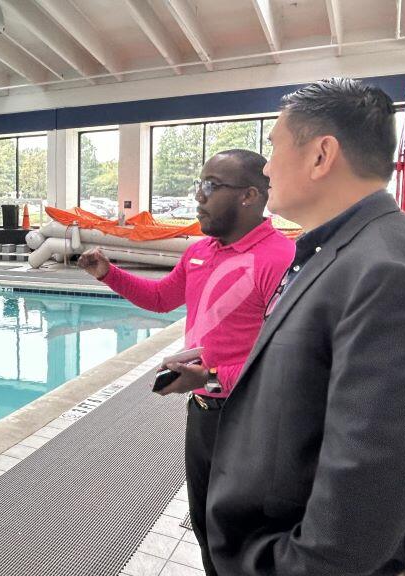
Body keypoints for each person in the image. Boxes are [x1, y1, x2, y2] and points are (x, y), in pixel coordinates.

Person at [205, 78, 405, 576]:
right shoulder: (344, 249)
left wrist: (292, 564)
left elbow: (374, 472)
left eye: (274, 147)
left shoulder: (386, 267)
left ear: (322, 155)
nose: (268, 167)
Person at [77, 149, 295, 575]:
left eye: (210, 186)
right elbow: (161, 299)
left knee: (242, 534)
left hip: (251, 419)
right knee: (205, 524)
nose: (198, 196)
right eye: (200, 184)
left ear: (250, 195)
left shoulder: (279, 260)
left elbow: (280, 363)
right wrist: (108, 273)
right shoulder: (200, 251)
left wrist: (211, 378)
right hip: (203, 413)